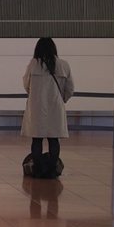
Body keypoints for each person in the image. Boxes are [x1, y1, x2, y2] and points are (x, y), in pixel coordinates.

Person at [21, 37, 74, 178]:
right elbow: (70, 88)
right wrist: (60, 99)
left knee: (36, 139)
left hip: (37, 106)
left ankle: (37, 170)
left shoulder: (33, 64)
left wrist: (34, 96)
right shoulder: (64, 65)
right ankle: (52, 171)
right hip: (55, 107)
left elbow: (26, 84)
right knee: (54, 139)